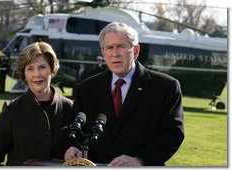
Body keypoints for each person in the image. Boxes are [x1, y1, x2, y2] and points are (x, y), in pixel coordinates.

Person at [64, 22, 184, 166]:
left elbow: (172, 134)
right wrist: (74, 147)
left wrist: (140, 160)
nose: (115, 53)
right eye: (109, 47)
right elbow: (76, 129)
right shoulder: (85, 88)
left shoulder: (166, 87)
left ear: (136, 51)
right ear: (103, 53)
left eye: (121, 46)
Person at [0, 42, 73, 166]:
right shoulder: (12, 110)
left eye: (42, 67)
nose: (37, 74)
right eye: (30, 68)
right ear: (24, 73)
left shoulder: (70, 108)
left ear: (52, 69)